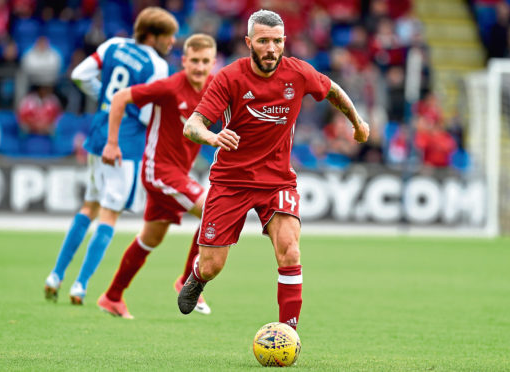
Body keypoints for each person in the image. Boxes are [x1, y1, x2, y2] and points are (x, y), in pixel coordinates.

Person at [178, 9, 369, 330]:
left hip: (277, 181)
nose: (271, 48)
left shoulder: (298, 73)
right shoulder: (229, 77)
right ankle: (196, 277)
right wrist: (212, 136)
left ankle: (287, 334)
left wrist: (357, 121)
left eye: (278, 41)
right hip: (230, 182)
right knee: (212, 265)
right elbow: (192, 125)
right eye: (264, 41)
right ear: (249, 42)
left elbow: (333, 90)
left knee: (290, 252)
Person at [44, 7, 178, 305]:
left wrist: (105, 98)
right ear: (153, 36)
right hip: (124, 143)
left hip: (97, 132)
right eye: (168, 37)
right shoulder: (156, 65)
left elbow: (79, 74)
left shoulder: (113, 45)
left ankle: (55, 274)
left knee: (88, 206)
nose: (172, 43)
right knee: (109, 213)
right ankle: (80, 285)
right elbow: (144, 113)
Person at [96, 33, 217, 319]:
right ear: (184, 61)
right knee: (213, 207)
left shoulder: (214, 88)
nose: (199, 67)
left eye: (205, 62)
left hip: (176, 173)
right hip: (158, 171)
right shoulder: (171, 87)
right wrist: (112, 143)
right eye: (194, 61)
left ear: (213, 63)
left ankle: (112, 297)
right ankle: (188, 281)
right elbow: (121, 97)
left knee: (149, 239)